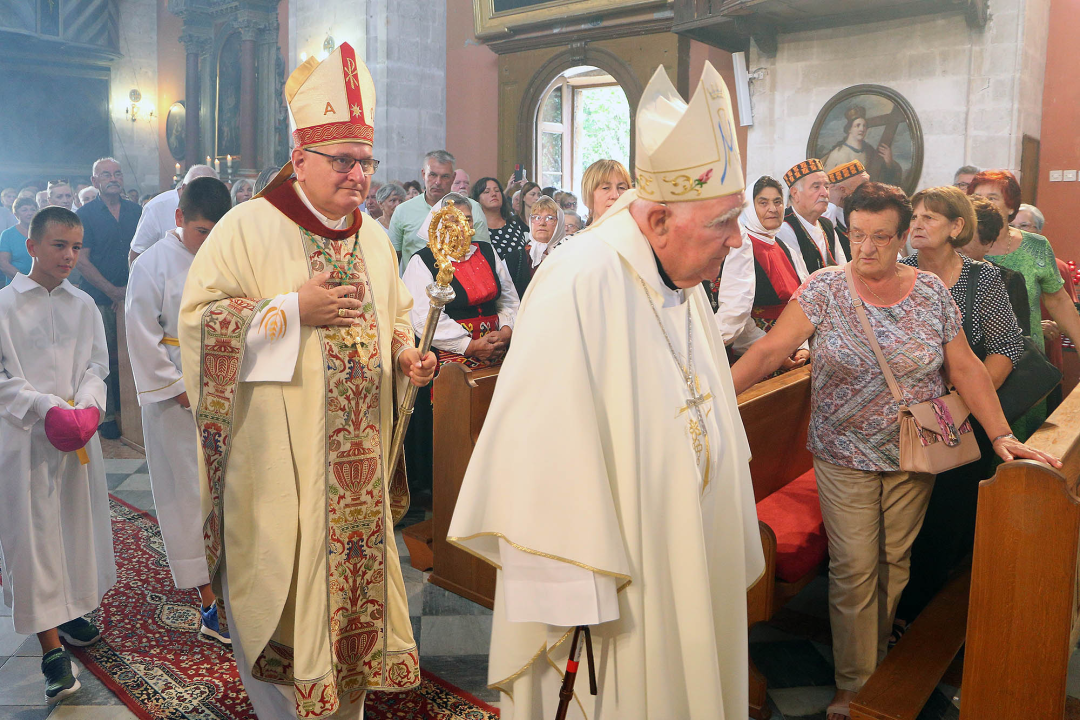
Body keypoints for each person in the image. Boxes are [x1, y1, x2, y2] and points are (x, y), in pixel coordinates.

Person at [448, 62, 764, 720]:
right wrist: (571, 598)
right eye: (723, 223)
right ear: (654, 222)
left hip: (684, 555)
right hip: (618, 593)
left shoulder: (682, 278)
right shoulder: (580, 280)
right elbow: (540, 457)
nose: (737, 241)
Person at [730, 182, 1058, 720]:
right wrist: (713, 398)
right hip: (842, 453)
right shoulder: (825, 289)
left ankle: (876, 662)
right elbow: (768, 349)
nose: (866, 249)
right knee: (855, 568)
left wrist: (1001, 435)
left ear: (902, 236)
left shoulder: (930, 292)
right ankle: (853, 685)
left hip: (913, 452)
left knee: (892, 564)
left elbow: (966, 367)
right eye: (857, 235)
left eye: (881, 238)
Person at [178, 44, 435, 720]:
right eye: (342, 160)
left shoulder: (374, 238)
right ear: (300, 160)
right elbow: (202, 324)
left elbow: (397, 320)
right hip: (281, 475)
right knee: (283, 627)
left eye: (365, 161)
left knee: (349, 636)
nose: (358, 175)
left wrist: (407, 359)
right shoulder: (247, 227)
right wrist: (291, 311)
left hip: (354, 486)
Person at [892, 185, 1024, 640]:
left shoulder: (981, 278)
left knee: (944, 517)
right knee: (899, 516)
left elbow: (1007, 347)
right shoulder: (898, 272)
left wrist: (961, 404)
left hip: (960, 418)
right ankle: (886, 606)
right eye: (915, 216)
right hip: (903, 419)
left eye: (930, 217)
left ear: (957, 227)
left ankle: (917, 612)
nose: (918, 224)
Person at [0, 207, 117, 704]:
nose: (70, 256)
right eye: (58, 246)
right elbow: (4, 377)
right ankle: (50, 649)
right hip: (25, 440)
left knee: (72, 529)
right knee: (33, 539)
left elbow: (97, 362)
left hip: (77, 440)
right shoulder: (5, 306)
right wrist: (44, 406)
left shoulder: (83, 304)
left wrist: (89, 404)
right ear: (31, 247)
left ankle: (68, 609)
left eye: (76, 247)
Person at [125, 177, 234, 647]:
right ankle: (210, 604)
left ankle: (234, 589)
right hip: (175, 398)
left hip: (226, 392)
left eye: (218, 230)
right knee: (188, 496)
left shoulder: (229, 257)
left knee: (228, 495)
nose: (209, 241)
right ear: (178, 220)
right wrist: (176, 386)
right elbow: (140, 332)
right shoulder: (152, 264)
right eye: (201, 231)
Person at [969, 170, 1080, 437]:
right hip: (973, 360)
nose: (983, 203)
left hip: (1024, 363)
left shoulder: (1035, 246)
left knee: (1024, 443)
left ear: (1010, 207)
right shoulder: (959, 247)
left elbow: (1059, 301)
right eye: (977, 196)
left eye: (993, 197)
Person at [403, 192, 519, 365]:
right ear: (440, 223)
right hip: (450, 357)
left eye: (468, 219)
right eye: (454, 220)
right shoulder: (423, 261)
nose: (463, 226)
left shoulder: (486, 251)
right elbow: (423, 318)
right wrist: (470, 345)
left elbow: (508, 299)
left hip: (498, 351)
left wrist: (506, 331)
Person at [76, 157, 142, 440]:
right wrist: (112, 291)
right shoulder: (85, 215)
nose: (113, 178)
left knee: (136, 356)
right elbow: (82, 260)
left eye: (117, 173)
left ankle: (136, 412)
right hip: (101, 298)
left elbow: (145, 252)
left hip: (134, 296)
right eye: (105, 174)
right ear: (95, 181)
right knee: (105, 359)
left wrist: (129, 289)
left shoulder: (136, 211)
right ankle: (110, 416)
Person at [713, 176, 808, 366]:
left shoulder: (785, 248)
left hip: (791, 348)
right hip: (755, 356)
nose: (772, 209)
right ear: (749, 207)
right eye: (763, 203)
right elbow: (737, 311)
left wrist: (803, 346)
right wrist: (772, 352)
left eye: (777, 202)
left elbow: (804, 303)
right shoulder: (739, 245)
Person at [387, 150, 490, 274]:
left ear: (453, 178)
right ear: (423, 174)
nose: (438, 182)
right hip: (416, 287)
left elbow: (483, 253)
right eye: (433, 175)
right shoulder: (403, 210)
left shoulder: (473, 208)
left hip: (462, 285)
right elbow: (392, 258)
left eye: (445, 176)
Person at [967, 195, 1031, 334]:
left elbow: (1020, 341)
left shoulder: (1007, 280)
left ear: (988, 243)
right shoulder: (928, 274)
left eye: (966, 236)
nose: (956, 242)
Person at [129, 164, 218, 262]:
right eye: (199, 192)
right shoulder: (156, 207)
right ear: (184, 188)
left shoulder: (219, 205)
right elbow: (137, 255)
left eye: (210, 192)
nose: (204, 198)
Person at [777, 159, 847, 280]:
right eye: (816, 187)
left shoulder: (826, 225)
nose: (824, 193)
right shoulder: (785, 227)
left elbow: (843, 269)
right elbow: (800, 278)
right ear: (795, 193)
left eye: (826, 186)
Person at [501, 195, 567, 299]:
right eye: (536, 217)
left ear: (559, 223)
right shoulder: (514, 259)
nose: (541, 223)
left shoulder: (568, 256)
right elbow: (506, 299)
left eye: (549, 218)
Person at [820, 105, 902, 185]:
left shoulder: (870, 151)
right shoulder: (837, 154)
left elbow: (881, 177)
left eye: (864, 126)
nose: (862, 129)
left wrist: (889, 162)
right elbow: (826, 183)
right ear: (849, 129)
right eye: (857, 125)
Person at [823, 160, 869, 258]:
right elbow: (823, 233)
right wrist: (832, 203)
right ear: (842, 190)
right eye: (863, 186)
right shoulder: (828, 215)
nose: (869, 189)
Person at [472, 176, 527, 258]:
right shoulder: (475, 229)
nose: (494, 194)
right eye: (487, 192)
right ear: (477, 199)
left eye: (497, 190)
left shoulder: (515, 223)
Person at [581, 159, 631, 225]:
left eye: (622, 188)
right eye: (606, 188)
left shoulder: (639, 234)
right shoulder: (581, 235)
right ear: (589, 194)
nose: (615, 195)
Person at [0, 197, 39, 284]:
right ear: (16, 214)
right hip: (16, 285)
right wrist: (25, 280)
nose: (29, 213)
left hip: (42, 284)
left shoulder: (44, 232)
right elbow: (4, 264)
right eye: (24, 210)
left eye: (32, 209)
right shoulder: (7, 235)